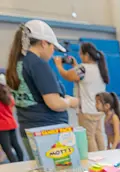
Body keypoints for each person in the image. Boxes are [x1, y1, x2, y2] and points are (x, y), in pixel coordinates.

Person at [6, 20, 79, 159]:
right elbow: (54, 103)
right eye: (52, 46)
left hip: (28, 129)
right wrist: (71, 102)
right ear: (44, 43)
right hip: (49, 132)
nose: (53, 51)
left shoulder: (17, 62)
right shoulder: (38, 64)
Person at [54, 42, 109, 152]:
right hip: (99, 109)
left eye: (81, 54)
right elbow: (81, 78)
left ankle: (94, 160)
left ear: (87, 55)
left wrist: (59, 65)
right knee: (98, 134)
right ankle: (104, 157)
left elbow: (68, 76)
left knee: (89, 137)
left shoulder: (83, 69)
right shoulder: (99, 67)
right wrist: (75, 65)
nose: (79, 56)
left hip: (87, 110)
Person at [0, 74, 24, 163]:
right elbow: (12, 108)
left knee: (7, 148)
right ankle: (21, 162)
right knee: (16, 145)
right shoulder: (8, 96)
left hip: (2, 126)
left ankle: (14, 164)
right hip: (11, 123)